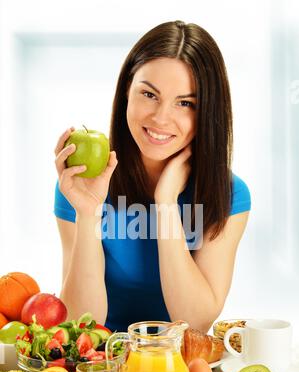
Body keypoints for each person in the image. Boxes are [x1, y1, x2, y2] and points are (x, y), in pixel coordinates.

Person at [54, 20, 251, 334]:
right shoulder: (83, 181)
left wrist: (166, 202)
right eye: (149, 94)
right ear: (126, 92)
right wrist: (87, 212)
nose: (161, 118)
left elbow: (195, 321)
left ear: (208, 112)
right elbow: (81, 323)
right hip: (105, 366)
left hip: (176, 368)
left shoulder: (229, 194)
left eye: (185, 103)